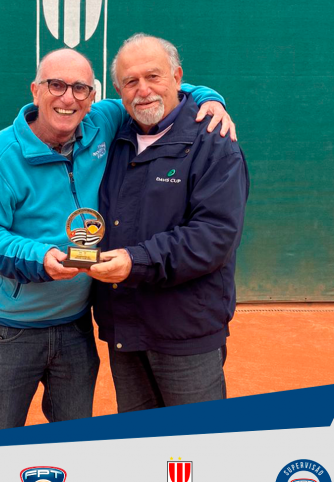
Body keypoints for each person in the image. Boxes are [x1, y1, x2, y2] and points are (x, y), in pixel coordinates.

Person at [0, 47, 234, 431]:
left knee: (75, 443)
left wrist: (210, 99)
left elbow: (153, 92)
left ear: (93, 97)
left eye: (80, 88)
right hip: (13, 329)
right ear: (35, 90)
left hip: (77, 326)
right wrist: (40, 258)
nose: (68, 98)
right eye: (56, 85)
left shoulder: (102, 122)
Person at [89, 34, 250, 413]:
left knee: (193, 443)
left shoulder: (215, 141)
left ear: (178, 77)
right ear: (118, 92)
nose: (143, 90)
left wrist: (136, 261)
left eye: (154, 76)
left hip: (185, 334)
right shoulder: (112, 139)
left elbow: (214, 236)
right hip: (125, 330)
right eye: (130, 81)